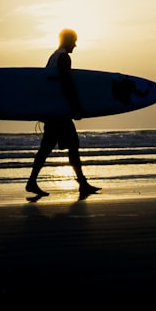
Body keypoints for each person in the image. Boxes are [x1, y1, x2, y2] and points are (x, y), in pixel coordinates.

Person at [26, 28, 100, 199]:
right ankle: (82, 184)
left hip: (53, 111)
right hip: (59, 112)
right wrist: (76, 107)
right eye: (74, 40)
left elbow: (47, 84)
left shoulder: (53, 57)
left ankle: (33, 181)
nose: (76, 44)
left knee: (48, 148)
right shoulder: (64, 58)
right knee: (72, 144)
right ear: (67, 40)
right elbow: (67, 84)